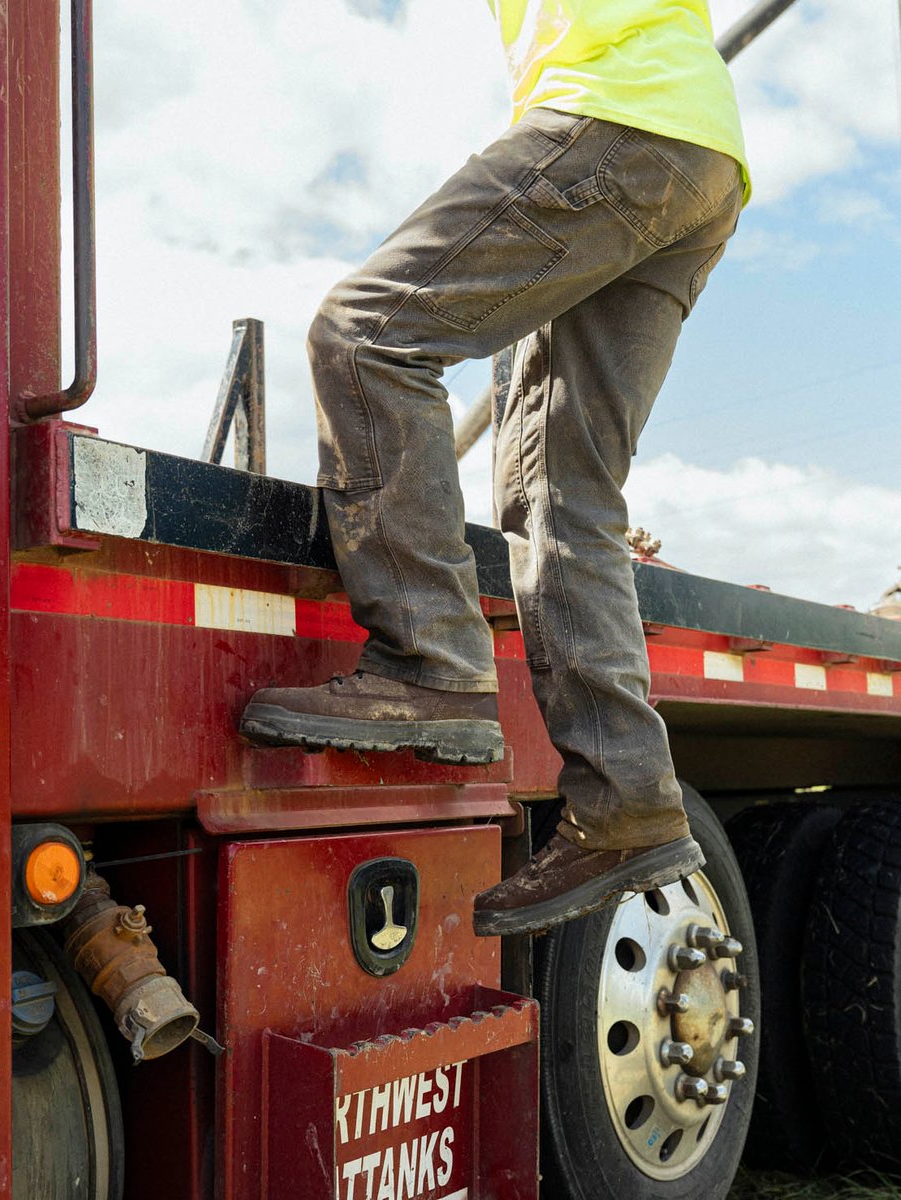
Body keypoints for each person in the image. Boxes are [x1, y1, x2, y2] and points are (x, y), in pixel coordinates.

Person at [240, 0, 749, 937]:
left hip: (616, 112)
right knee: (565, 497)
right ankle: (627, 800)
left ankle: (429, 659)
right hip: (699, 149)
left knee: (367, 337)